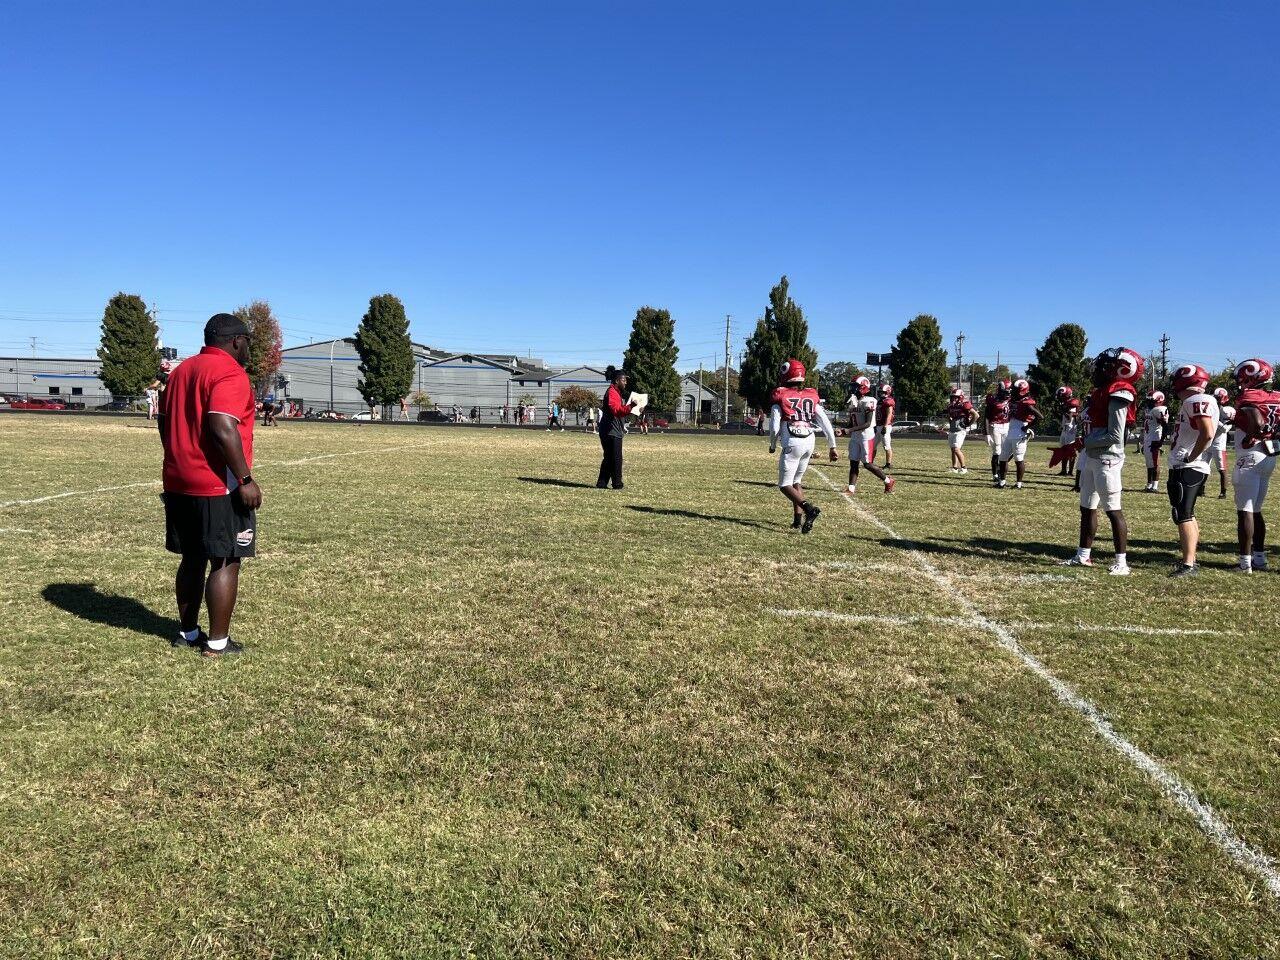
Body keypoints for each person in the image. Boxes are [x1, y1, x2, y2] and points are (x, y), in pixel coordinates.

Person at [157, 313, 261, 657]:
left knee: (191, 558)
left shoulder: (181, 372)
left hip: (178, 480)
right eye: (247, 341)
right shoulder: (230, 373)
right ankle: (217, 643)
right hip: (218, 484)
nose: (248, 348)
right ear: (236, 341)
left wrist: (177, 456)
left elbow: (163, 422)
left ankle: (188, 633)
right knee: (226, 558)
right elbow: (222, 425)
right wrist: (245, 479)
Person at [1062, 347, 1142, 575]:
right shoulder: (1102, 390)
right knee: (1087, 507)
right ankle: (1083, 555)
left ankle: (1122, 562)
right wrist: (1079, 444)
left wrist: (1086, 443)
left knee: (1113, 510)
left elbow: (1115, 435)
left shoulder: (1119, 391)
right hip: (1093, 456)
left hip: (1108, 458)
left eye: (1102, 365)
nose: (1095, 368)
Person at [769, 359, 838, 532]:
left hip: (793, 441)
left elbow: (775, 426)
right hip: (809, 440)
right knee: (796, 481)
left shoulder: (781, 396)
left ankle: (808, 509)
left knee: (785, 485)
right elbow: (825, 422)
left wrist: (772, 444)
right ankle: (797, 521)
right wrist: (832, 446)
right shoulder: (811, 396)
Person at [1165, 364, 1220, 577]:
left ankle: (1188, 564)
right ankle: (1191, 559)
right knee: (1187, 512)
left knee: (1183, 513)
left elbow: (1207, 433)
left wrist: (1190, 457)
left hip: (1189, 466)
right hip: (1190, 465)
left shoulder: (1195, 400)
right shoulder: (1199, 400)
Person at [1230, 359, 1280, 573]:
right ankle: (1259, 558)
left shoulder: (1249, 396)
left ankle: (1245, 563)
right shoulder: (1277, 396)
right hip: (1269, 455)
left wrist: (1251, 435)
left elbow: (1257, 421)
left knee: (1245, 511)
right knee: (1256, 510)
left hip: (1251, 455)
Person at [846, 375, 895, 495]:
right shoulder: (853, 401)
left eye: (855, 386)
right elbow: (852, 421)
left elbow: (867, 423)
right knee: (853, 463)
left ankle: (888, 481)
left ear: (863, 387)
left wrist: (849, 430)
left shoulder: (869, 400)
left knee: (867, 464)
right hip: (855, 436)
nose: (852, 389)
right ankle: (851, 488)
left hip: (866, 436)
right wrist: (843, 429)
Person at [997, 379, 1039, 489]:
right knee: (1003, 457)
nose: (1013, 392)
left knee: (1018, 458)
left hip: (1019, 431)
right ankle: (1002, 482)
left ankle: (1018, 484)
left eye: (1015, 390)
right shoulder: (1014, 400)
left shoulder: (1027, 402)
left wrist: (1027, 427)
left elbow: (1039, 416)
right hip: (1010, 429)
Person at [597, 366, 633, 489]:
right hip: (611, 430)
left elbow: (620, 410)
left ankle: (602, 483)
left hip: (609, 429)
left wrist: (634, 408)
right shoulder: (612, 392)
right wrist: (631, 406)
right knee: (616, 458)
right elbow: (616, 410)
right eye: (624, 380)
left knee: (608, 457)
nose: (626, 382)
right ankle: (617, 483)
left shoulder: (616, 392)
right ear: (617, 381)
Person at [983, 380, 1011, 483]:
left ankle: (1000, 469)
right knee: (997, 451)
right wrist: (986, 433)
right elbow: (986, 417)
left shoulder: (1012, 399)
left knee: (1008, 451)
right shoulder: (992, 399)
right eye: (1006, 391)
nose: (1008, 393)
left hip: (1007, 426)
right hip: (995, 426)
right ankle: (995, 474)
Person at [1140, 390, 1169, 492]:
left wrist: (1161, 441)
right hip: (1148, 438)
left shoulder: (1159, 409)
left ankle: (1155, 486)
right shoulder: (1149, 410)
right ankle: (1149, 485)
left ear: (1159, 400)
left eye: (1151, 400)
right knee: (1149, 464)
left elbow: (1165, 427)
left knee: (1155, 463)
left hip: (1155, 439)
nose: (1148, 402)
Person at [1210, 386, 1234, 498]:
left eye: (1218, 398)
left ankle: (1223, 492)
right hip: (1207, 441)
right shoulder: (1210, 408)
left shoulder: (1225, 411)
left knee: (1222, 469)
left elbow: (1225, 429)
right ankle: (1200, 489)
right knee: (1202, 466)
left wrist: (1214, 420)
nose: (1216, 400)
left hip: (1218, 444)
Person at [945, 388, 976, 473]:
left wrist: (969, 423)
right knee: (952, 449)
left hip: (960, 430)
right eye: (953, 397)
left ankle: (964, 468)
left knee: (956, 449)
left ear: (961, 397)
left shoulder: (964, 405)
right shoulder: (951, 406)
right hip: (952, 430)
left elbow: (976, 415)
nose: (954, 399)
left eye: (956, 397)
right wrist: (951, 423)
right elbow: (949, 417)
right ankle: (954, 468)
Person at [1056, 387, 1080, 477]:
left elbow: (1069, 418)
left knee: (1070, 451)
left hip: (1071, 430)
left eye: (1061, 396)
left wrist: (1062, 409)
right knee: (1063, 450)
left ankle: (1070, 472)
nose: (1060, 398)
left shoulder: (1072, 402)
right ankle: (1063, 470)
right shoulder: (1066, 403)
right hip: (1065, 429)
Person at [874, 383, 896, 470]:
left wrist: (885, 426)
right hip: (878, 426)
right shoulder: (880, 401)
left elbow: (889, 414)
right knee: (873, 445)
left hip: (884, 426)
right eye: (879, 392)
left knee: (886, 446)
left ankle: (888, 464)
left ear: (887, 392)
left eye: (882, 392)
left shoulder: (888, 401)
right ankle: (870, 462)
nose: (880, 393)